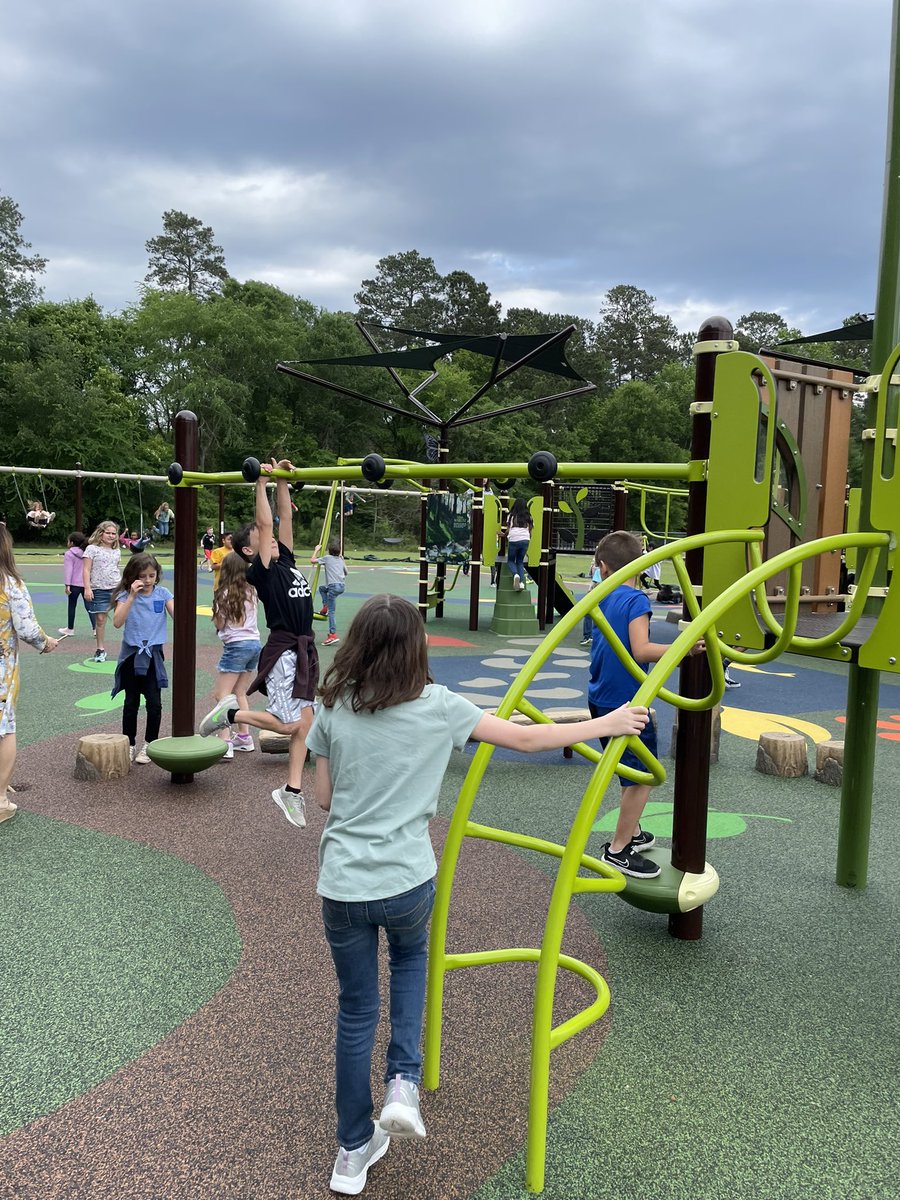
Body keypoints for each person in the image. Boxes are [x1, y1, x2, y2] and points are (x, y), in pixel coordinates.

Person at [305, 594, 647, 1195]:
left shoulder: (333, 705)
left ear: (357, 645)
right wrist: (607, 723)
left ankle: (352, 1151)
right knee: (412, 962)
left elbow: (326, 798)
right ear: (418, 650)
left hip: (342, 883)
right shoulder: (440, 707)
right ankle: (403, 1084)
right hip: (406, 879)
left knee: (356, 1009)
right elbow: (525, 741)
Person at [198, 459, 318, 829]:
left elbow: (284, 520)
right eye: (261, 539)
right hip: (284, 650)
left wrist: (282, 481)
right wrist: (262, 483)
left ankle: (292, 792)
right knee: (286, 725)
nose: (270, 538)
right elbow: (265, 523)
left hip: (305, 649)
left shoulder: (288, 559)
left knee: (305, 727)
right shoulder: (262, 570)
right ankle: (231, 714)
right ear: (251, 551)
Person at [587, 530, 704, 880]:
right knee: (642, 777)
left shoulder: (600, 594)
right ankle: (619, 849)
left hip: (599, 696)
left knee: (628, 768)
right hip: (626, 704)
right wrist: (683, 648)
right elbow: (640, 650)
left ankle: (633, 832)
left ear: (603, 567)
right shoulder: (636, 600)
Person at [0, 524, 59, 823]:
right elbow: (26, 627)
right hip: (1, 667)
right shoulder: (9, 583)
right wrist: (45, 643)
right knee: (4, 728)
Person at [110, 552, 174, 764]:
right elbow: (117, 622)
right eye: (142, 576)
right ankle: (129, 743)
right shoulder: (125, 596)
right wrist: (131, 597)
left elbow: (179, 616)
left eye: (151, 575)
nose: (147, 581)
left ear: (157, 575)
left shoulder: (162, 594)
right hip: (132, 655)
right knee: (131, 702)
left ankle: (150, 743)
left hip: (153, 655)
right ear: (132, 577)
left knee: (154, 702)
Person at [211, 551, 260, 759]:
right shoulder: (252, 591)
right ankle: (244, 736)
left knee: (222, 695)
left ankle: (225, 741)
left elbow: (220, 623)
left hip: (236, 645)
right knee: (240, 692)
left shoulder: (223, 594)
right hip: (254, 643)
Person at [83, 520, 122, 663]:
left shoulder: (116, 551)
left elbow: (115, 568)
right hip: (98, 588)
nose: (111, 536)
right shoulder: (92, 549)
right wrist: (87, 588)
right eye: (108, 533)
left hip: (116, 588)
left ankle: (132, 646)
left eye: (114, 533)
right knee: (100, 619)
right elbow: (86, 569)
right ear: (101, 533)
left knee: (124, 616)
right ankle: (100, 649)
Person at [59, 531, 96, 636]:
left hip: (74, 585)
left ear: (71, 542)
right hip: (86, 584)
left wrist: (67, 585)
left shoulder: (69, 554)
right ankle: (95, 629)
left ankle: (70, 629)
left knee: (71, 606)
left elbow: (68, 570)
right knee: (90, 607)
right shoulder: (87, 552)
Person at [312, 537, 347, 646]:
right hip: (341, 586)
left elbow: (313, 560)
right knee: (322, 589)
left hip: (333, 587)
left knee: (332, 612)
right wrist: (342, 560)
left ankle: (333, 634)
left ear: (329, 551)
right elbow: (346, 573)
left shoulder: (327, 558)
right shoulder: (340, 560)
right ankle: (325, 607)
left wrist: (316, 550)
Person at [501, 497, 533, 591]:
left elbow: (508, 530)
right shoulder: (528, 516)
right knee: (520, 561)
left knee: (511, 560)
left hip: (514, 539)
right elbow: (530, 530)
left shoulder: (511, 516)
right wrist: (527, 539)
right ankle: (522, 583)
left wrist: (504, 535)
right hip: (525, 539)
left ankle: (515, 575)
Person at [581, 544, 602, 645]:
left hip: (599, 594)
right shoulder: (597, 566)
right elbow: (594, 579)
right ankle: (590, 636)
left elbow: (596, 581)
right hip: (599, 593)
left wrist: (590, 589)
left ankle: (588, 636)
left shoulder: (599, 567)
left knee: (590, 614)